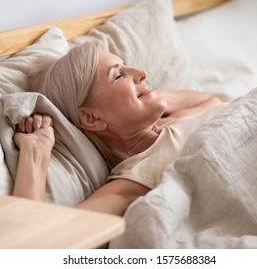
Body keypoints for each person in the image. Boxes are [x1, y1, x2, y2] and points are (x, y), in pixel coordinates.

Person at [13, 41, 223, 216]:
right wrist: (35, 153)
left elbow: (211, 100)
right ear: (92, 118)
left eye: (126, 66)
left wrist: (151, 96)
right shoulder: (134, 180)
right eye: (118, 75)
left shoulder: (174, 121)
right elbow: (36, 245)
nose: (142, 73)